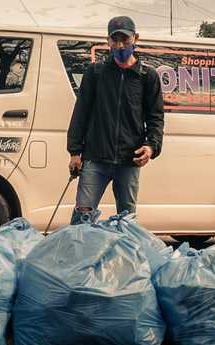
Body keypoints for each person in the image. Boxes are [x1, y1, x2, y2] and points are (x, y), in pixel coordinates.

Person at [67, 16, 165, 223]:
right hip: (95, 157)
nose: (120, 45)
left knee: (126, 220)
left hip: (129, 160)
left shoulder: (148, 76)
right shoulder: (96, 72)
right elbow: (81, 112)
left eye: (125, 40)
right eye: (115, 40)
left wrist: (151, 147)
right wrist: (75, 151)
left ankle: (126, 256)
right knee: (82, 214)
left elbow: (155, 118)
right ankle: (77, 255)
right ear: (108, 41)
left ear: (135, 38)